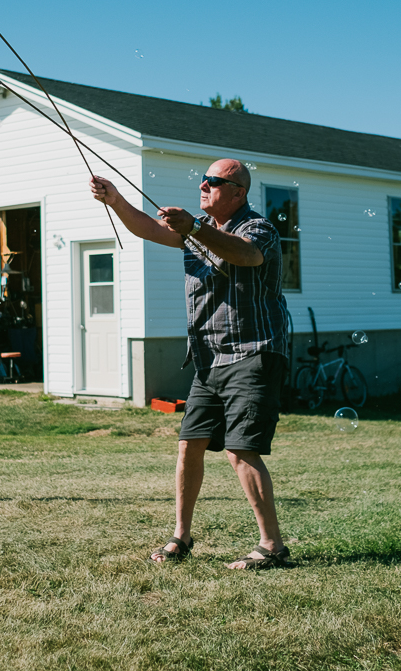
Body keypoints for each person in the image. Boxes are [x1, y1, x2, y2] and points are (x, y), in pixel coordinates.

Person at [89, 158, 291, 570]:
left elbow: (248, 257)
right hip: (209, 357)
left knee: (241, 448)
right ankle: (182, 537)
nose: (203, 185)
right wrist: (115, 200)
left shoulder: (259, 229)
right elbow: (148, 228)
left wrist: (194, 229)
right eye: (202, 180)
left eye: (214, 182)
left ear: (238, 193)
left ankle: (272, 545)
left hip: (254, 350)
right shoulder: (195, 229)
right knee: (189, 446)